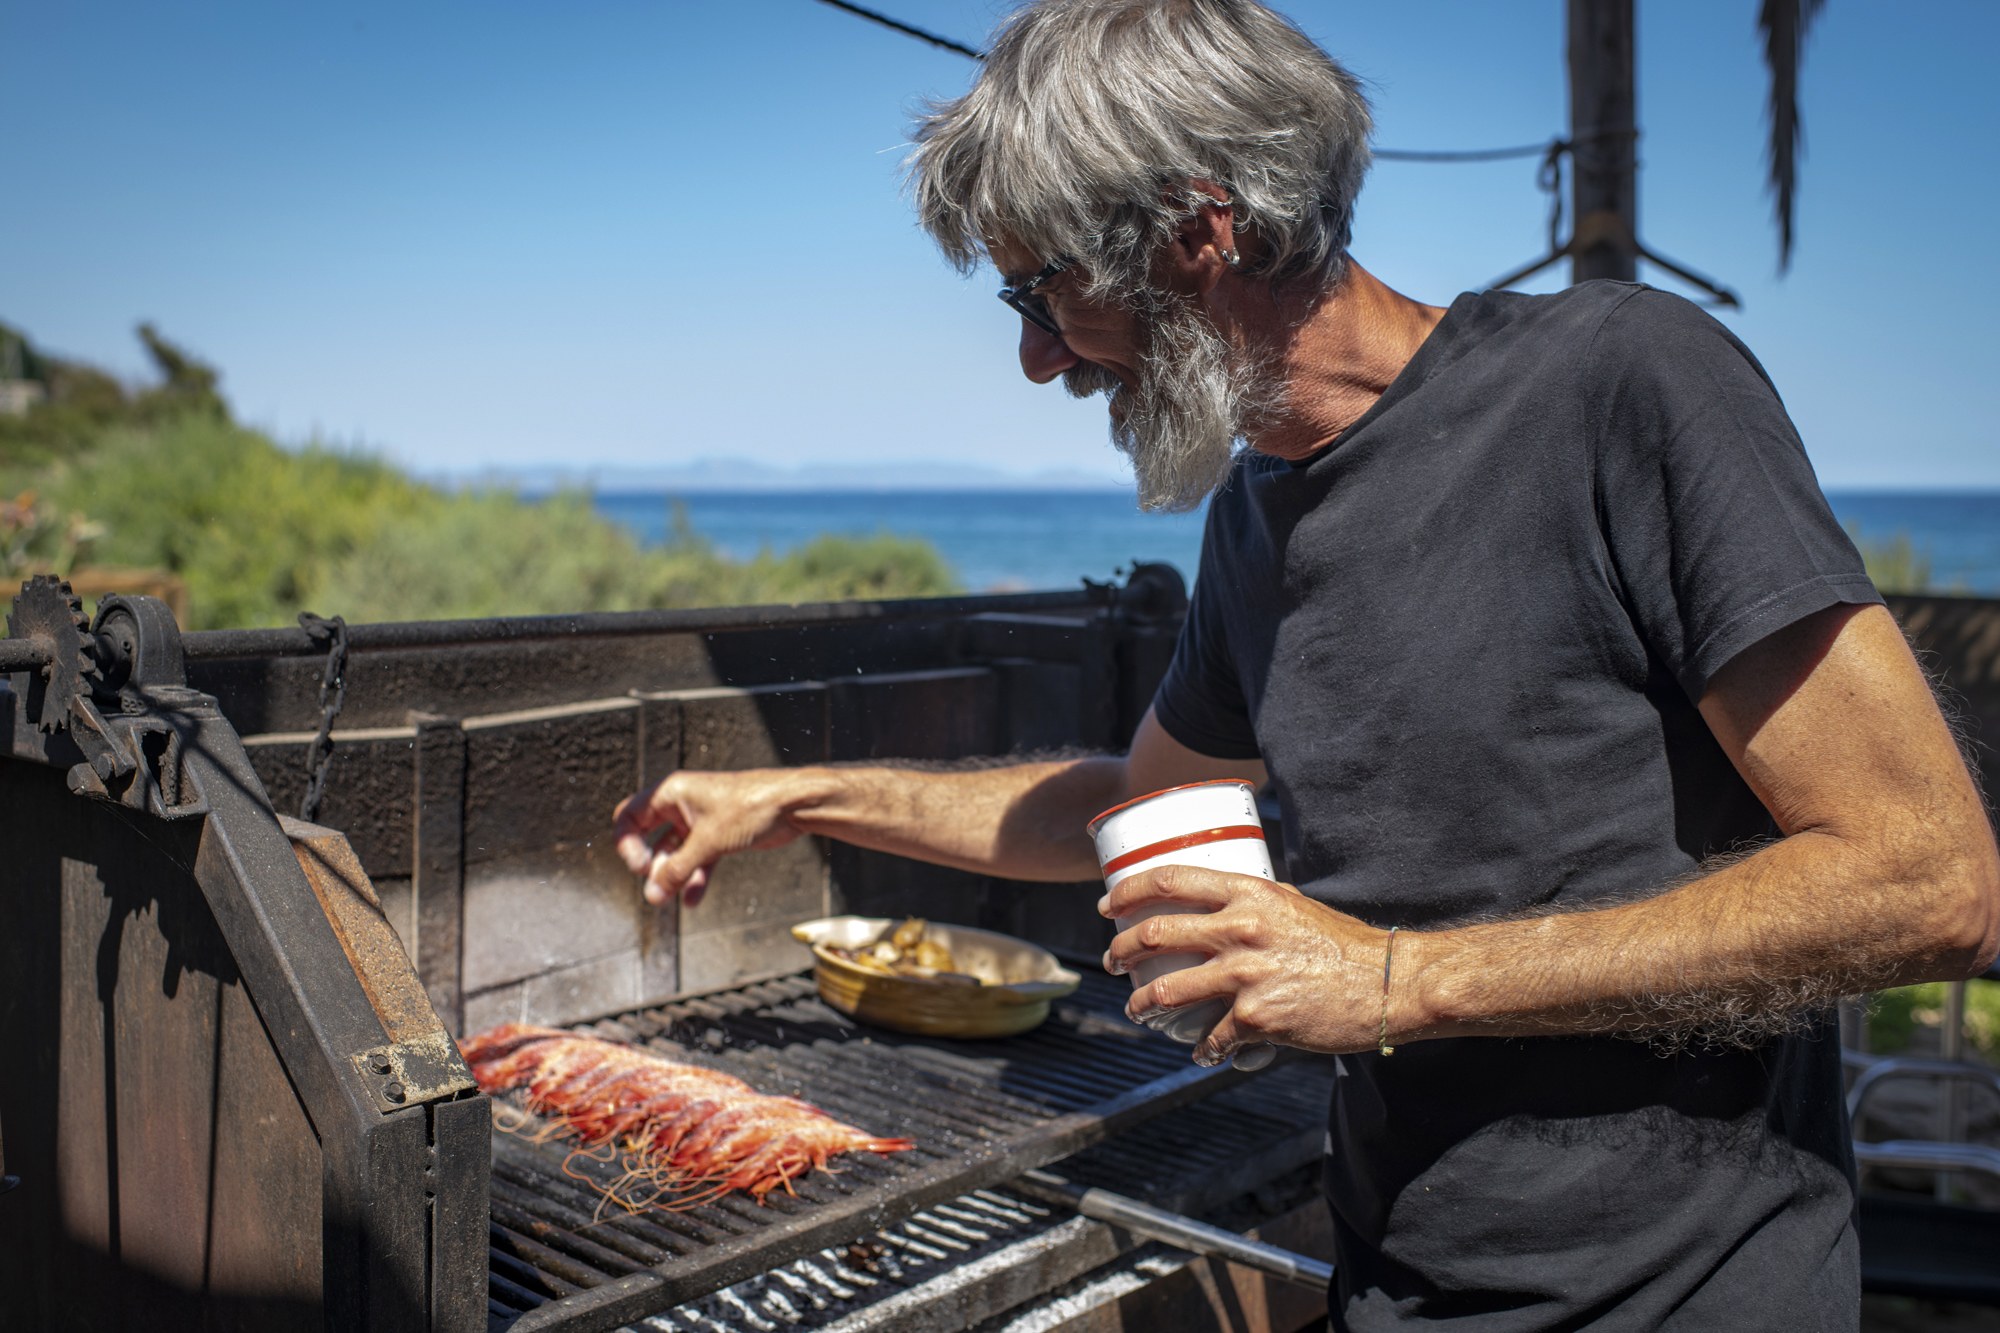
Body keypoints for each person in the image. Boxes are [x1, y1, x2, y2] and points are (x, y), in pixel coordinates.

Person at [613, 1, 2000, 1327]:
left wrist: (1397, 982)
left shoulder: (1625, 384)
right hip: (1400, 1282)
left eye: (1043, 290)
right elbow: (1124, 808)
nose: (1038, 359)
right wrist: (794, 797)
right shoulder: (1256, 516)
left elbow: (1930, 877)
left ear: (1200, 230)